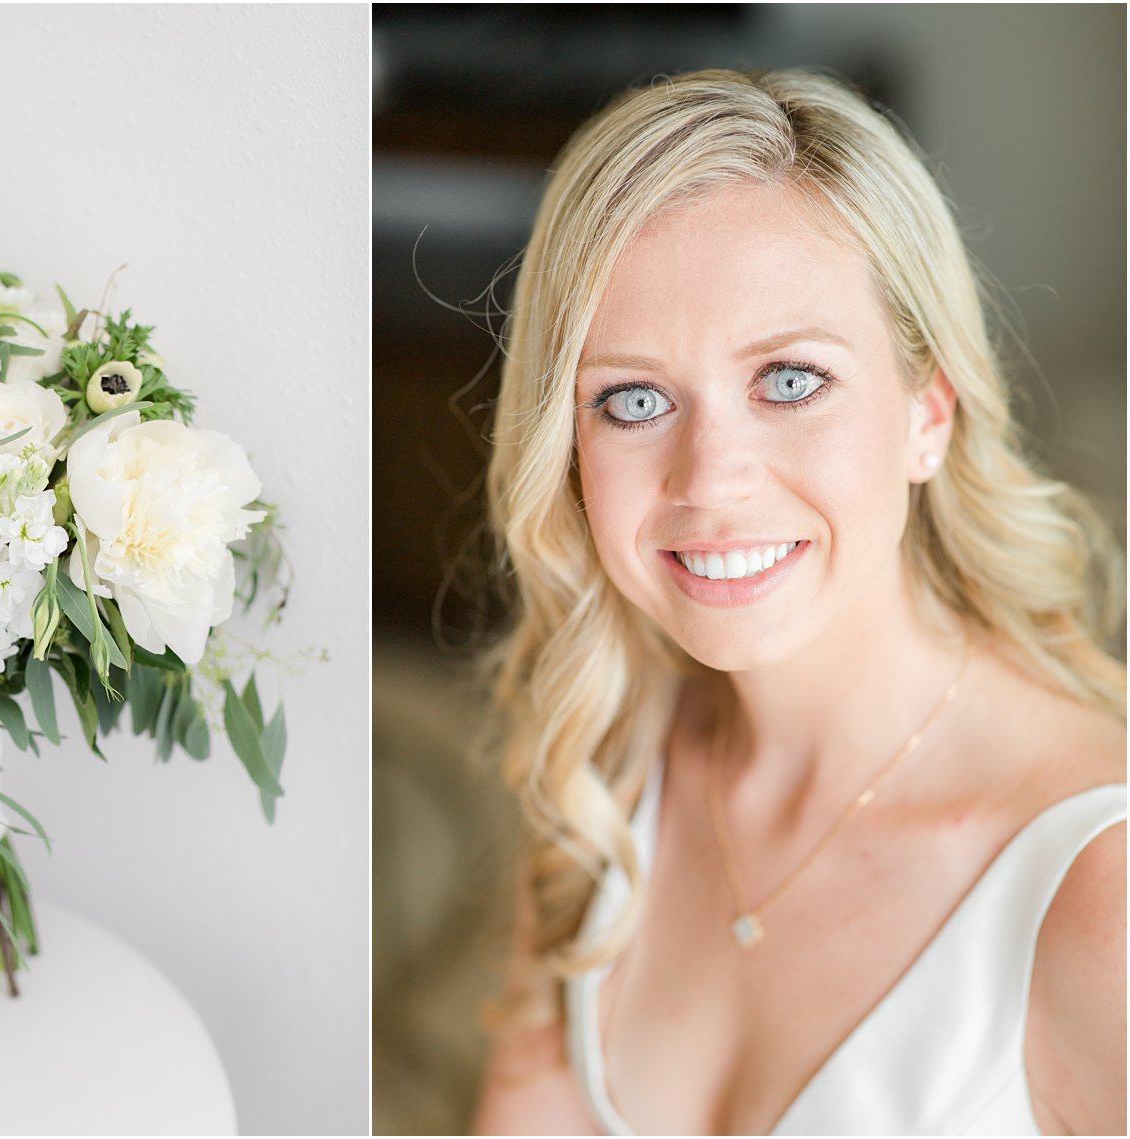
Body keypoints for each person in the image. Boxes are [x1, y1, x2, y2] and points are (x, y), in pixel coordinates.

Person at [471, 69, 1126, 1136]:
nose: (709, 479)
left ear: (928, 412)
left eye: (787, 380)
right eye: (631, 399)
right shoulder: (606, 788)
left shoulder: (1098, 893)